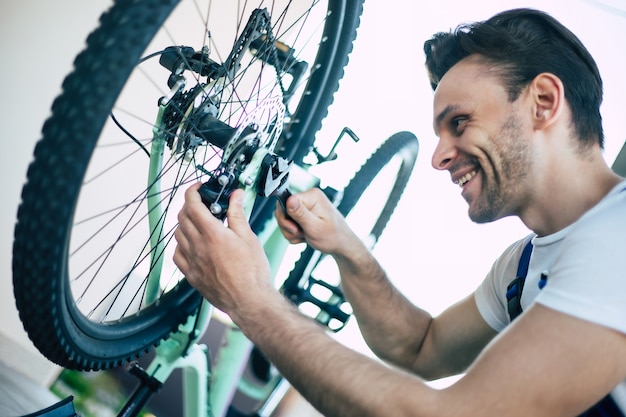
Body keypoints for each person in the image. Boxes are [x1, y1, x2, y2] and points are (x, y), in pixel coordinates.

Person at [174, 8, 626, 417]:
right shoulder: (521, 265)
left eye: (460, 122)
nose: (438, 158)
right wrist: (345, 245)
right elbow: (419, 347)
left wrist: (251, 300)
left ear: (543, 102)